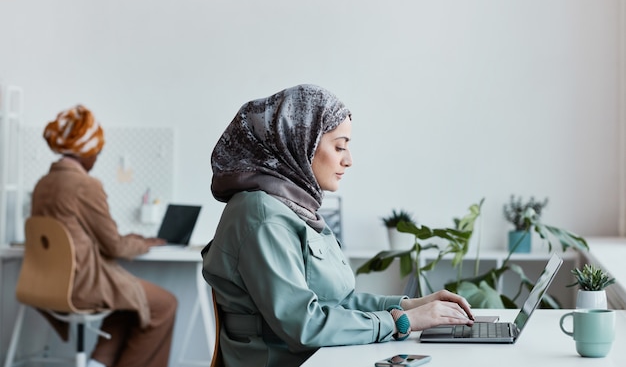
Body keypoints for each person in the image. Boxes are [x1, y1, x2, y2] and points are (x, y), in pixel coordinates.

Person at [201, 84, 475, 367]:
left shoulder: (296, 210)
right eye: (339, 146)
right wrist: (400, 321)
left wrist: (409, 306)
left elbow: (336, 303)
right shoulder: (261, 215)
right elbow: (305, 326)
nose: (349, 160)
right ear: (299, 142)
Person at [30, 104, 177, 367]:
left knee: (127, 307)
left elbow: (75, 235)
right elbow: (115, 246)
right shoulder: (84, 185)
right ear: (85, 151)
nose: (97, 158)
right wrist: (143, 243)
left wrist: (126, 239)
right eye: (96, 151)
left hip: (49, 282)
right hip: (82, 284)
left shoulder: (44, 184)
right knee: (164, 305)